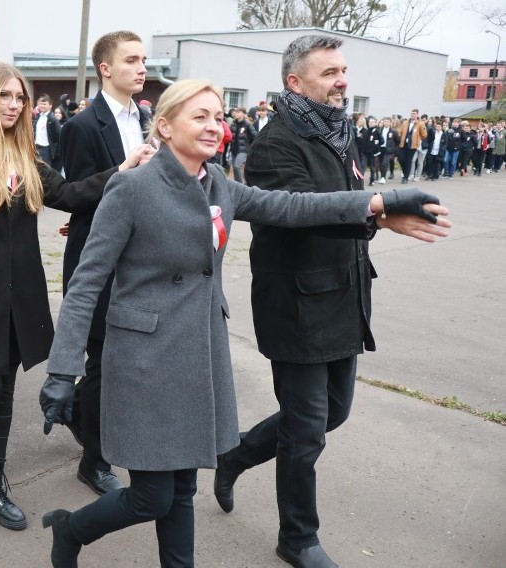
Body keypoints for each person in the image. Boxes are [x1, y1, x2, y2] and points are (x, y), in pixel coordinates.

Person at [38, 79, 450, 568]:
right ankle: (71, 528)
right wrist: (62, 370)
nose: (214, 126)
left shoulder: (219, 185)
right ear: (164, 127)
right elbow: (86, 284)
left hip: (199, 353)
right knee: (151, 496)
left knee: (184, 488)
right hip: (143, 361)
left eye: (218, 117)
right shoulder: (131, 188)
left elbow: (294, 207)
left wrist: (381, 203)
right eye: (200, 117)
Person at [207, 35, 450, 568]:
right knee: (306, 430)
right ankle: (297, 538)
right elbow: (305, 210)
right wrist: (381, 212)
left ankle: (235, 455)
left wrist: (378, 216)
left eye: (344, 70)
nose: (343, 81)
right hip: (296, 307)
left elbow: (347, 198)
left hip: (343, 298)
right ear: (295, 83)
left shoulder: (338, 131)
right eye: (329, 73)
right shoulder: (275, 143)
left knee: (329, 415)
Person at [0, 62, 150, 532]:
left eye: (19, 97)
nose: (13, 105)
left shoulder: (24, 151)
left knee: (3, 393)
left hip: (18, 295)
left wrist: (123, 169)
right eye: (4, 96)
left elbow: (69, 192)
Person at [58, 29, 152, 496]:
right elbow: (77, 196)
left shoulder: (147, 117)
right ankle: (93, 461)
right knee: (102, 365)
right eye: (132, 60)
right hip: (99, 263)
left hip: (139, 262)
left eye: (144, 59)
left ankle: (76, 410)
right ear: (106, 69)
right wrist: (124, 172)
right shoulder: (81, 126)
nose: (142, 68)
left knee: (122, 363)